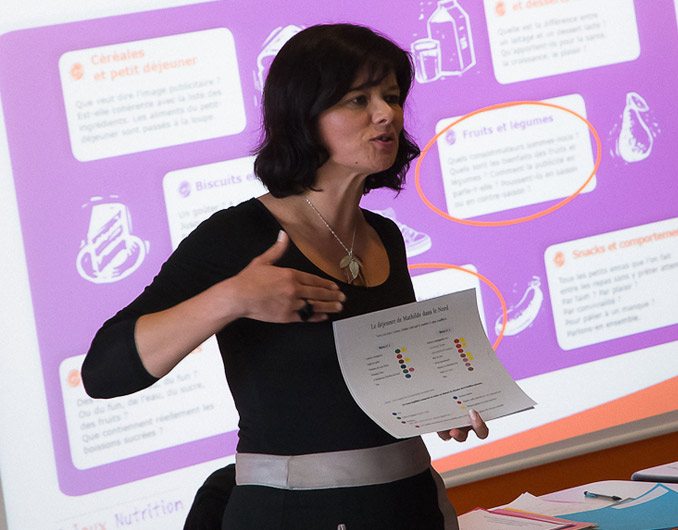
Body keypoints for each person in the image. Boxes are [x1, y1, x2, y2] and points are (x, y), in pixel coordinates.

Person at [82, 23, 488, 529]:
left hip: (410, 503)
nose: (387, 113)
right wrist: (231, 298)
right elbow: (103, 372)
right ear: (304, 119)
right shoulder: (239, 235)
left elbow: (369, 382)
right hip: (293, 513)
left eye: (390, 96)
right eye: (358, 100)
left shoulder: (385, 236)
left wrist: (437, 402)